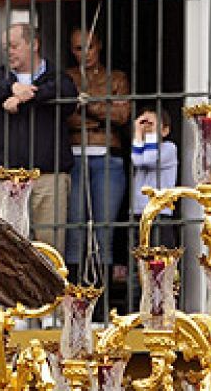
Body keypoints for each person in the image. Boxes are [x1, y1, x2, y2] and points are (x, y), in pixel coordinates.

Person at [0, 22, 78, 249]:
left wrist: (28, 97)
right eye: (6, 47)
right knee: (10, 246)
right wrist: (12, 88)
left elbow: (66, 94)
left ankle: (49, 286)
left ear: (33, 44)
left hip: (49, 177)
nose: (9, 52)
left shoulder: (56, 77)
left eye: (13, 46)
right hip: (11, 177)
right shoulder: (2, 79)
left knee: (50, 247)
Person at [64, 28, 132, 284]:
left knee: (104, 229)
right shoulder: (67, 79)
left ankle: (102, 301)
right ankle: (72, 296)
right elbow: (64, 117)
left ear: (99, 46)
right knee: (74, 229)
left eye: (89, 47)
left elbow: (122, 116)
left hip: (107, 158)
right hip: (73, 157)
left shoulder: (116, 78)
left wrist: (87, 105)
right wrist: (102, 112)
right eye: (78, 48)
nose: (85, 53)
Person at [129, 108, 179, 249]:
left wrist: (150, 135)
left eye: (151, 124)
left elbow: (149, 160)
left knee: (159, 256)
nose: (146, 127)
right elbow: (137, 160)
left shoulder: (169, 148)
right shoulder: (139, 149)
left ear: (165, 131)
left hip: (159, 211)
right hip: (139, 212)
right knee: (139, 256)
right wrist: (138, 134)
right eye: (143, 123)